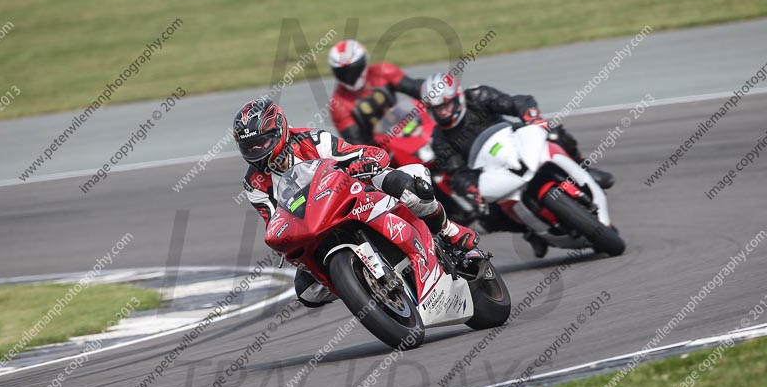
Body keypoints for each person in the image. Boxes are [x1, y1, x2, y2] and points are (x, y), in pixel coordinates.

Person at [235, 97, 479, 308]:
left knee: (413, 189)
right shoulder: (253, 184)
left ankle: (451, 232)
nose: (257, 150)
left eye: (262, 142)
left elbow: (352, 153)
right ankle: (362, 285)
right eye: (249, 146)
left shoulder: (312, 139)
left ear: (280, 130)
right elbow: (273, 220)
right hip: (313, 224)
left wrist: (365, 160)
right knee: (307, 291)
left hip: (352, 193)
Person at [420, 72, 615, 257]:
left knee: (554, 132)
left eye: (447, 105)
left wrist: (530, 116)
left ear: (458, 98)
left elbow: (517, 102)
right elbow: (457, 172)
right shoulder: (440, 139)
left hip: (515, 141)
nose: (443, 111)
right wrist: (470, 187)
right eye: (437, 108)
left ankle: (583, 167)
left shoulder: (478, 96)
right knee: (487, 216)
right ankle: (531, 231)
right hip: (491, 170)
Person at [328, 39, 424, 145]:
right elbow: (356, 141)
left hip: (407, 126)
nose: (349, 76)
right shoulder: (338, 104)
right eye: (343, 72)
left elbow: (416, 87)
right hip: (380, 148)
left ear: (363, 62)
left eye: (353, 69)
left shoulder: (383, 71)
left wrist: (436, 89)